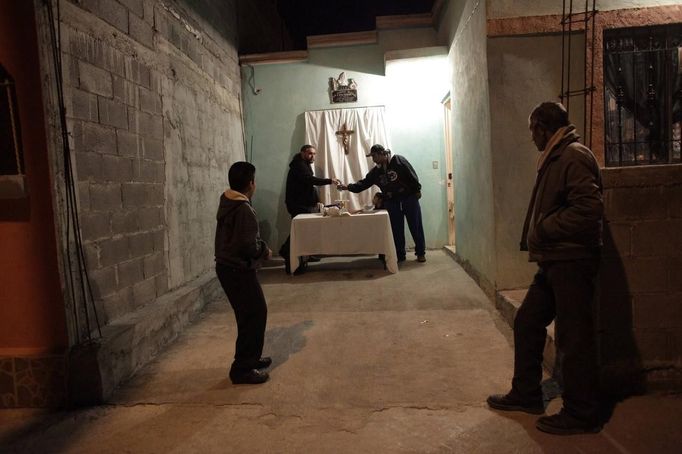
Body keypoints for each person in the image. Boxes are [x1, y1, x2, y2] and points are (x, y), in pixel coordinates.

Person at [487, 102, 604, 435]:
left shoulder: (573, 156)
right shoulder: (557, 154)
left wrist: (544, 228)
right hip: (555, 260)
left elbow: (588, 210)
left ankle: (582, 412)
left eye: (531, 131)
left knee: (573, 336)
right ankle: (526, 394)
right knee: (527, 321)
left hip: (572, 261)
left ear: (541, 127)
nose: (531, 138)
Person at [215, 161, 272, 385]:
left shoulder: (228, 202)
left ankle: (251, 359)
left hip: (227, 267)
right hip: (237, 269)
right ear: (251, 183)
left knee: (247, 316)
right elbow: (249, 245)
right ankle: (242, 369)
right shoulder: (244, 209)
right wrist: (264, 250)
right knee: (255, 315)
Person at [339, 144, 426, 263]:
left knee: (415, 226)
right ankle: (400, 255)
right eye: (372, 157)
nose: (373, 159)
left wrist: (417, 190)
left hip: (408, 198)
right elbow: (363, 184)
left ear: (382, 153)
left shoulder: (398, 161)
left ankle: (421, 253)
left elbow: (412, 175)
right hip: (392, 201)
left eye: (374, 156)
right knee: (396, 229)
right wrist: (347, 187)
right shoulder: (376, 172)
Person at [279, 145, 340, 274]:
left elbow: (308, 184)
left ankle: (305, 253)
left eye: (314, 154)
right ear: (302, 153)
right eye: (310, 153)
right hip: (298, 205)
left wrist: (315, 200)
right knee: (300, 230)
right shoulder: (299, 165)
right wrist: (330, 181)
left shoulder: (302, 164)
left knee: (305, 230)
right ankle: (286, 251)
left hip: (303, 203)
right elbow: (309, 180)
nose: (312, 156)